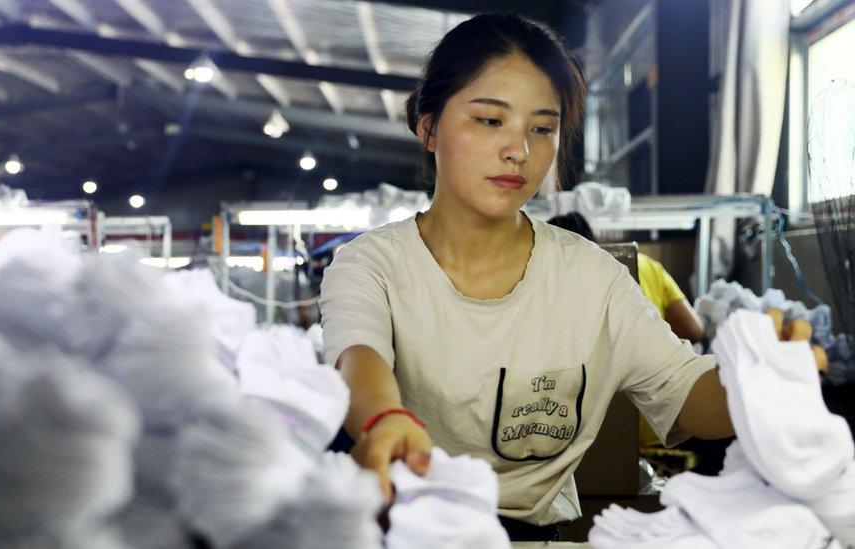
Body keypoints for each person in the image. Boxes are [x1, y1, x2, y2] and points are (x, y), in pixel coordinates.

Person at [319, 13, 747, 541]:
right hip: (409, 530)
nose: (518, 150)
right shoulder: (372, 265)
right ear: (428, 127)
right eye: (489, 120)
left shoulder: (591, 277)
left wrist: (766, 377)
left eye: (542, 128)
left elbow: (685, 390)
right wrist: (384, 419)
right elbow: (358, 356)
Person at [547, 212, 704, 448]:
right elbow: (694, 329)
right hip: (658, 428)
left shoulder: (561, 285)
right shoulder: (645, 266)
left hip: (611, 437)